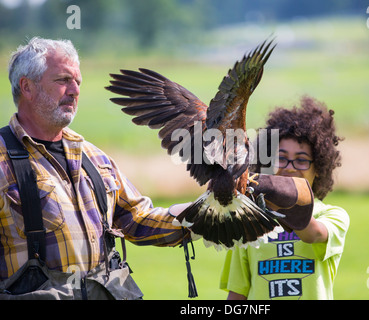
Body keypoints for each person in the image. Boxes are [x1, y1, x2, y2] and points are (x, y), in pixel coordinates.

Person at [0, 37, 313, 300]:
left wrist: (198, 221)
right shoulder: (3, 162)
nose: (74, 90)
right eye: (63, 80)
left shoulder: (94, 160)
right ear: (26, 87)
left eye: (77, 81)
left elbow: (137, 219)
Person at [220, 96, 350, 300]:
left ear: (319, 169)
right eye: (281, 158)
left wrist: (273, 191)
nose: (289, 166)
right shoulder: (249, 219)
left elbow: (313, 234)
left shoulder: (333, 215)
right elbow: (237, 293)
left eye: (301, 160)